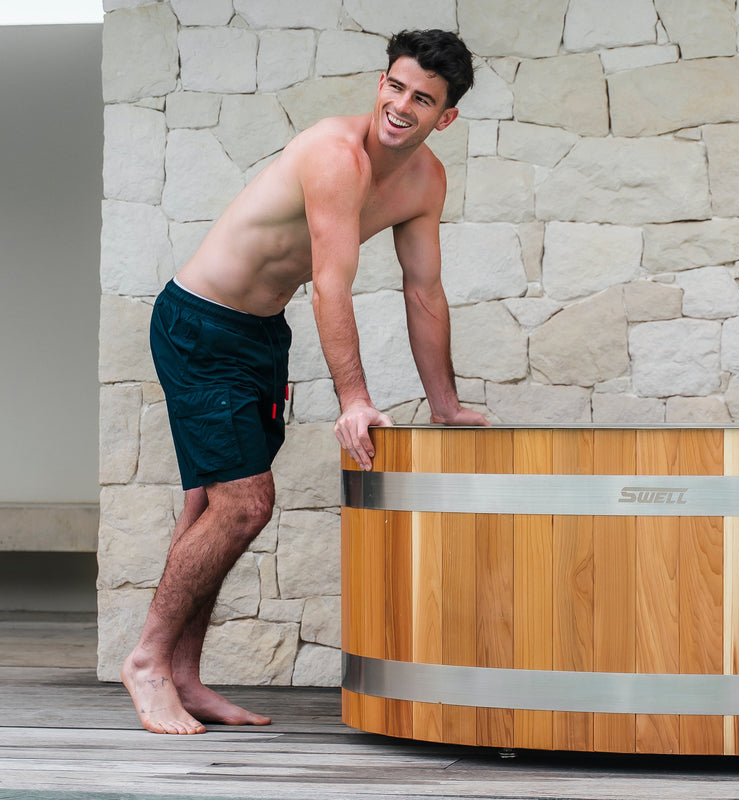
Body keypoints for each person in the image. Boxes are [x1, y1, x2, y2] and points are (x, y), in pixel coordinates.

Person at [122, 29, 488, 735]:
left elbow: (424, 290)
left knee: (210, 504)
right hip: (201, 325)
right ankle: (146, 661)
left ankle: (183, 676)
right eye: (396, 86)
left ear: (445, 117)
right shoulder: (335, 155)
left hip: (261, 334)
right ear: (381, 83)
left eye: (423, 99)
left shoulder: (425, 181)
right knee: (244, 505)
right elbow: (329, 284)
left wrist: (444, 404)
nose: (401, 105)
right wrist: (355, 400)